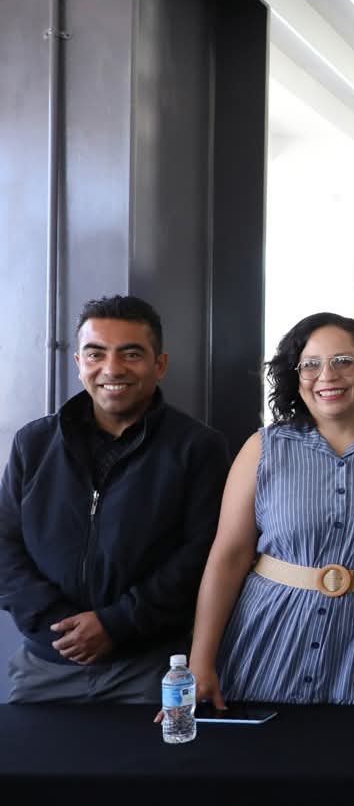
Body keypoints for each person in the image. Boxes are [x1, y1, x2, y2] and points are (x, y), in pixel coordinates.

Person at [0, 296, 228, 703]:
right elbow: (4, 545)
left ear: (159, 364)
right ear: (78, 363)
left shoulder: (198, 448)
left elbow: (203, 554)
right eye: (96, 354)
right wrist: (59, 625)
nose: (112, 369)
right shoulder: (32, 443)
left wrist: (115, 624)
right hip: (45, 666)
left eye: (131, 354)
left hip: (149, 669)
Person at [188, 313, 354, 706]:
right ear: (295, 377)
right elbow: (229, 557)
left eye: (343, 361)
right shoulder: (263, 448)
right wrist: (200, 660)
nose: (327, 376)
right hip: (268, 632)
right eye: (310, 364)